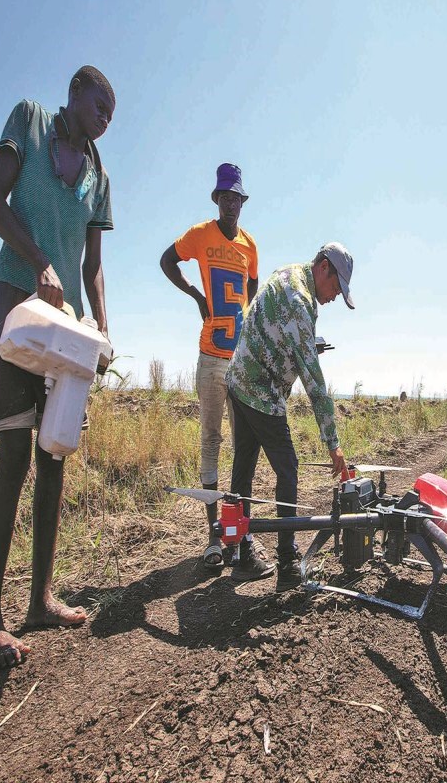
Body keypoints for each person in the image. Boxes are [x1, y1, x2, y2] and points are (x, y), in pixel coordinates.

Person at [0, 66, 116, 670]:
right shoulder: (29, 121)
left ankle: (39, 601)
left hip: (69, 334)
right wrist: (36, 261)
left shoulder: (101, 176)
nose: (106, 114)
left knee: (53, 453)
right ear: (73, 93)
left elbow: (91, 266)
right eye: (99, 101)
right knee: (12, 462)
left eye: (113, 111)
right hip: (20, 308)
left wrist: (103, 330)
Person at [225, 243, 353, 590]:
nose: (334, 297)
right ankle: (287, 563)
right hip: (259, 391)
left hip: (238, 380)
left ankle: (239, 552)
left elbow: (273, 329)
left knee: (245, 464)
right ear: (323, 267)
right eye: (336, 287)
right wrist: (333, 445)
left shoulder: (289, 273)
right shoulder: (300, 302)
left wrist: (306, 346)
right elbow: (315, 383)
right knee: (288, 467)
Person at [160, 163, 259, 573]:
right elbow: (168, 261)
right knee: (210, 441)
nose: (231, 204)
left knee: (242, 447)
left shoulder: (250, 245)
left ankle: (239, 533)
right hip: (209, 358)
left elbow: (251, 288)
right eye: (225, 197)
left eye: (237, 197)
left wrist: (245, 321)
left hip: (238, 364)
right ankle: (214, 536)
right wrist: (196, 296)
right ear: (217, 199)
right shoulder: (200, 235)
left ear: (242, 200)